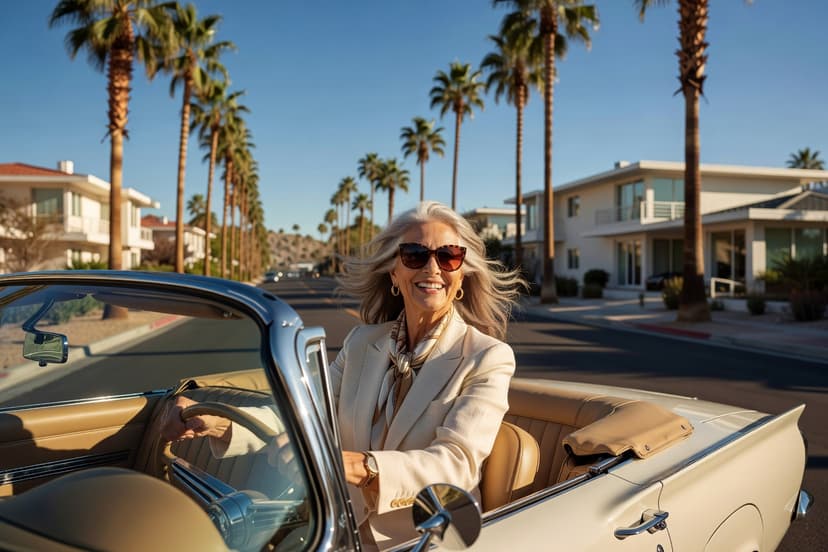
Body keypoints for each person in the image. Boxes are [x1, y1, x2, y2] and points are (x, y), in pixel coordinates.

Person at [161, 201, 526, 550]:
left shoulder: (487, 357)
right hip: (336, 530)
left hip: (424, 540)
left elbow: (456, 463)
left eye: (448, 256)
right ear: (394, 272)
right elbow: (309, 413)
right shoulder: (361, 342)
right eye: (415, 254)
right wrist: (220, 422)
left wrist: (360, 465)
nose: (433, 268)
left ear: (461, 275)